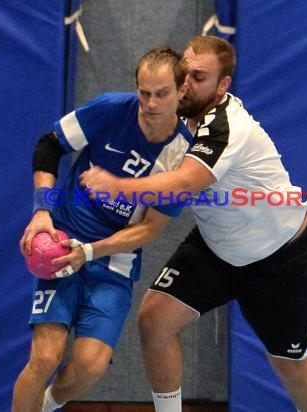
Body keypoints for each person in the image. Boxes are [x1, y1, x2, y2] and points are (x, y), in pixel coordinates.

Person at [80, 36, 307, 412]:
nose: (187, 83)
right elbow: (155, 215)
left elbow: (185, 183)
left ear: (223, 85)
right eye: (185, 72)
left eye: (199, 77)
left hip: (277, 255)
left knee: (289, 363)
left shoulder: (227, 127)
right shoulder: (172, 121)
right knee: (154, 319)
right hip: (215, 247)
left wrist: (117, 186)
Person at [11, 46, 193, 412]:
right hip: (62, 243)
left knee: (90, 366)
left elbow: (149, 230)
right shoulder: (111, 108)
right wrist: (42, 212)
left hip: (114, 262)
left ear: (182, 91)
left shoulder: (184, 158)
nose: (151, 103)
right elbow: (50, 145)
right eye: (144, 93)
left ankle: (43, 406)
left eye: (161, 94)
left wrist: (90, 253)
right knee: (46, 357)